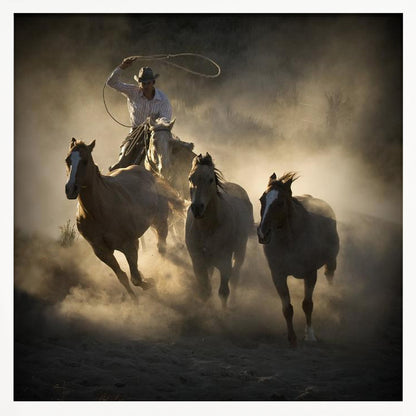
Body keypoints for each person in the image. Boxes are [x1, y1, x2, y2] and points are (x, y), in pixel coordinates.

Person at [107, 57, 173, 170]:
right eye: (142, 83)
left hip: (157, 132)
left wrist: (154, 124)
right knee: (123, 161)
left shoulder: (163, 99)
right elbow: (111, 83)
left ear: (153, 82)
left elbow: (165, 119)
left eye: (148, 83)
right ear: (139, 83)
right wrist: (122, 67)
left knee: (175, 152)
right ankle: (118, 172)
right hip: (136, 133)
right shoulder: (133, 92)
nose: (145, 86)